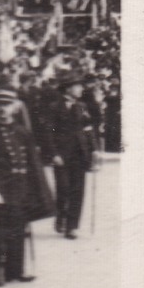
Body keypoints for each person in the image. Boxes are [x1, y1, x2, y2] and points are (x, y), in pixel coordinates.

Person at [0, 88, 51, 286]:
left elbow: (33, 163)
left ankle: (16, 270)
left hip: (21, 187)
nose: (2, 111)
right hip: (0, 187)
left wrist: (37, 189)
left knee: (19, 228)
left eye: (6, 106)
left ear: (14, 108)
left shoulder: (23, 132)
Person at [40, 72, 99, 239]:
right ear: (68, 88)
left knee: (78, 190)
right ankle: (61, 217)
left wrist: (94, 149)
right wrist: (53, 154)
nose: (81, 89)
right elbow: (48, 133)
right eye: (78, 86)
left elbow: (88, 129)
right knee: (64, 189)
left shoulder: (81, 106)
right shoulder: (54, 107)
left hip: (80, 154)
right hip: (62, 155)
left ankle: (71, 226)